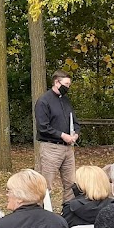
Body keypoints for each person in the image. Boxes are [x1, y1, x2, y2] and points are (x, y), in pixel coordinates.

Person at [35, 70, 81, 202]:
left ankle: (69, 213)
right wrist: (62, 135)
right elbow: (43, 127)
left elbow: (75, 121)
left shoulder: (66, 100)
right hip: (51, 148)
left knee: (71, 184)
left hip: (68, 149)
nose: (68, 87)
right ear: (57, 82)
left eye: (69, 84)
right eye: (66, 84)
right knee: (45, 185)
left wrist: (75, 134)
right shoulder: (44, 101)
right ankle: (43, 215)